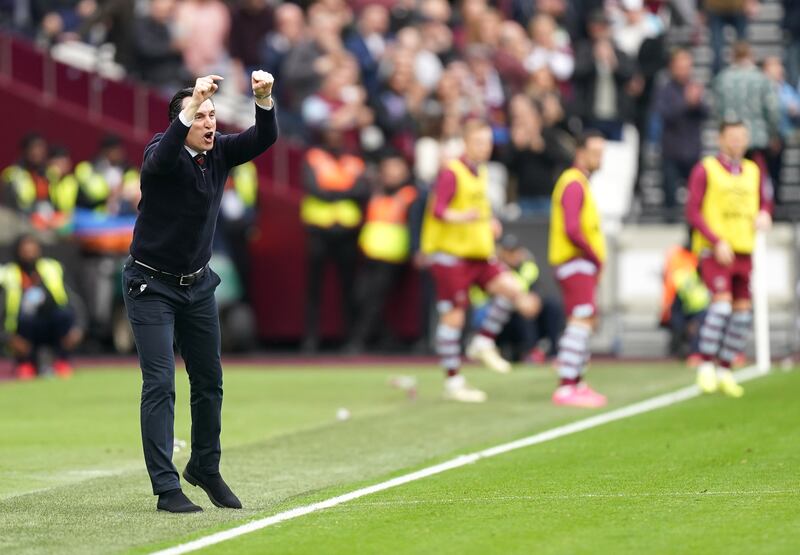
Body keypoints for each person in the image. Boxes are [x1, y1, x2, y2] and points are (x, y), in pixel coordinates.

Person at [122, 72, 277, 513]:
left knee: (209, 381)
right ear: (182, 120)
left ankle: (205, 468)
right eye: (201, 117)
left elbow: (263, 138)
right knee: (160, 384)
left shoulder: (221, 152)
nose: (211, 124)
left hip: (197, 285)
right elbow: (159, 161)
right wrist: (192, 102)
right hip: (150, 284)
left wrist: (263, 99)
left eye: (213, 116)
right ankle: (166, 487)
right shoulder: (161, 150)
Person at [421, 119, 540, 403]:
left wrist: (490, 222)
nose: (484, 148)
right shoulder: (452, 172)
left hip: (477, 254)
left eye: (487, 143)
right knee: (454, 317)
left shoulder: (481, 172)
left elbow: (477, 207)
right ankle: (453, 381)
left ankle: (483, 341)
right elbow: (439, 210)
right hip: (450, 255)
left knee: (513, 289)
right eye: (478, 143)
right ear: (465, 143)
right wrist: (466, 218)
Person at [685, 120, 772, 397]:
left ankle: (725, 369)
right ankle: (706, 366)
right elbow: (693, 211)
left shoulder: (752, 170)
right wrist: (715, 240)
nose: (737, 142)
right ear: (721, 139)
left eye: (741, 137)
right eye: (732, 137)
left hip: (744, 248)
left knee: (742, 314)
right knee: (721, 308)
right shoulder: (706, 169)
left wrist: (765, 213)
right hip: (716, 251)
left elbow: (765, 200)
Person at [548, 130, 608, 408]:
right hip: (575, 262)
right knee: (580, 320)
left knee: (586, 321)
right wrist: (594, 255)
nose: (600, 158)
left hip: (579, 262)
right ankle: (566, 385)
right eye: (595, 153)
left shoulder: (580, 183)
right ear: (580, 153)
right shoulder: (573, 183)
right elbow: (573, 228)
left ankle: (578, 381)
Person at [300, 127, 368, 353]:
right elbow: (314, 189)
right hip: (319, 229)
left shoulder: (354, 161)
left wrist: (332, 191)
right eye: (330, 135)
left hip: (347, 231)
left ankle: (352, 338)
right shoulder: (314, 158)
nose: (334, 139)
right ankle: (311, 338)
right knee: (314, 289)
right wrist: (343, 191)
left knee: (349, 287)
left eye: (338, 135)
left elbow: (362, 190)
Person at [346, 149, 417, 353]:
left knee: (374, 300)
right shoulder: (374, 191)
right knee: (361, 296)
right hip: (370, 255)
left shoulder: (409, 194)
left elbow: (414, 225)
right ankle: (387, 339)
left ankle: (359, 342)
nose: (392, 173)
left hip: (392, 256)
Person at [0, 234, 83, 380]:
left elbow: (74, 301)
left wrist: (79, 327)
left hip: (51, 325)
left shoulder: (52, 269)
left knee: (63, 315)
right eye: (25, 249)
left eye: (32, 249)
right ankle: (26, 363)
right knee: (25, 320)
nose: (29, 253)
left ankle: (61, 360)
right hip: (23, 329)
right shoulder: (8, 274)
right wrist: (7, 337)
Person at [470, 234, 562, 363]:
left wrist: (531, 299)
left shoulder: (528, 267)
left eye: (514, 251)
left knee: (550, 305)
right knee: (520, 308)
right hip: (492, 315)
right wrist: (520, 300)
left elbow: (535, 290)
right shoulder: (491, 267)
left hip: (524, 310)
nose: (511, 255)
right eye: (508, 251)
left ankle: (553, 352)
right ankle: (529, 351)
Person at [655, 48, 709, 220]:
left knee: (697, 195)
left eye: (687, 66)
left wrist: (697, 103)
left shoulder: (694, 87)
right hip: (672, 149)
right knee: (670, 196)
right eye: (680, 66)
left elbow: (706, 114)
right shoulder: (665, 90)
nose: (684, 70)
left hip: (693, 149)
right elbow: (665, 115)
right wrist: (686, 103)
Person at [713, 42, 780, 180]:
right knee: (757, 177)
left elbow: (718, 110)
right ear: (750, 55)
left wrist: (722, 134)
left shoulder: (722, 78)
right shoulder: (761, 78)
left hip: (731, 138)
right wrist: (773, 134)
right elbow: (772, 108)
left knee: (733, 177)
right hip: (757, 137)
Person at [660, 242, 711, 362]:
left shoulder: (693, 260)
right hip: (681, 300)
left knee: (697, 326)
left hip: (695, 303)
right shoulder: (679, 260)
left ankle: (695, 352)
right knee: (679, 326)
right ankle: (681, 351)